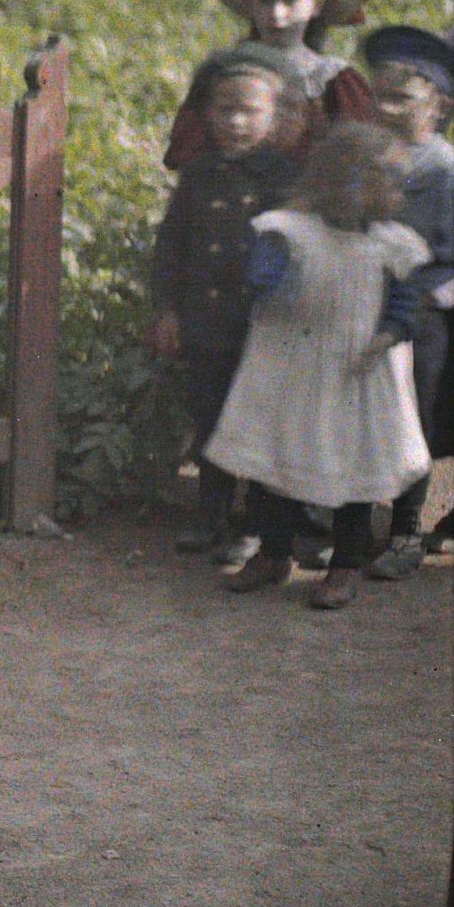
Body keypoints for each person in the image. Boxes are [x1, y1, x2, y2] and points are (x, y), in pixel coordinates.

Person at [206, 123, 432, 610]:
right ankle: (273, 553)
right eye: (378, 181)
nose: (390, 194)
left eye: (394, 185)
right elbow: (260, 281)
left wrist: (387, 335)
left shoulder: (394, 246)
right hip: (294, 368)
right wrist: (263, 277)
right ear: (334, 181)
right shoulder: (289, 232)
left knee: (354, 470)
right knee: (280, 462)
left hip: (358, 372)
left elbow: (407, 306)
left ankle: (345, 564)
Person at [150, 44, 304, 558]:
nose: (236, 122)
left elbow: (293, 253)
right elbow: (171, 245)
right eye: (225, 110)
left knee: (259, 421)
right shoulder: (198, 176)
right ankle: (210, 514)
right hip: (206, 321)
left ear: (276, 117)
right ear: (208, 113)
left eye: (250, 111)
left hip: (261, 323)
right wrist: (167, 310)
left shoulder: (283, 179)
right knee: (210, 417)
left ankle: (255, 523)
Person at [360, 26, 454, 580]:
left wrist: (418, 299)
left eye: (400, 98)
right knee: (357, 411)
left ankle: (406, 529)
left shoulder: (445, 169)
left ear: (441, 104)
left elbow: (452, 254)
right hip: (362, 304)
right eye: (379, 96)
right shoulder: (367, 155)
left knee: (411, 420)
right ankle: (350, 527)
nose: (385, 108)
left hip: (419, 313)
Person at [164, 0, 377, 172]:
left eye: (290, 2)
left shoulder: (332, 79)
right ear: (250, 3)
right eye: (265, 1)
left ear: (317, 5)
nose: (277, 14)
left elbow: (360, 159)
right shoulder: (224, 71)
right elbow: (188, 153)